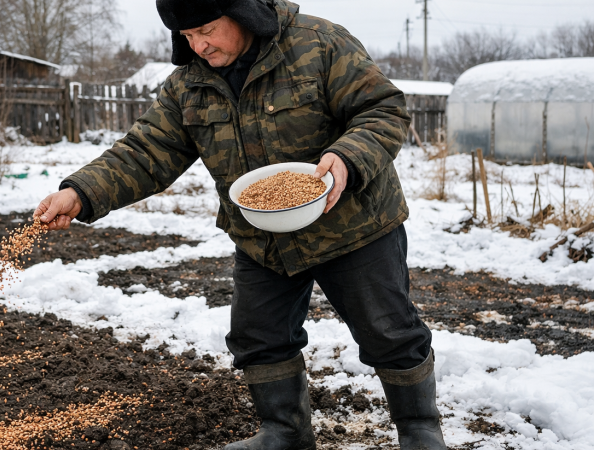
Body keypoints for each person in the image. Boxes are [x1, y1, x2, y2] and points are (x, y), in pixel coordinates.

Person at [34, 0, 447, 448]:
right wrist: (80, 192)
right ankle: (284, 432)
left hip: (352, 225)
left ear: (243, 12)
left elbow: (382, 109)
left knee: (389, 331)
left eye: (207, 29)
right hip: (262, 237)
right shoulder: (188, 84)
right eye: (187, 36)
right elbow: (145, 150)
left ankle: (419, 428)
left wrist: (348, 156)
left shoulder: (318, 44)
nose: (199, 45)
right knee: (257, 337)